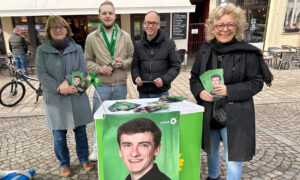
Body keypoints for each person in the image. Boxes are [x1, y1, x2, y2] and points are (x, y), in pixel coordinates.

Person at [189, 4, 273, 180]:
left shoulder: (247, 52)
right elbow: (194, 78)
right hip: (210, 110)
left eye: (230, 25)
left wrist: (229, 90)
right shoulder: (206, 49)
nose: (224, 30)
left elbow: (256, 83)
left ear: (237, 26)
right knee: (211, 152)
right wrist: (199, 92)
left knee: (233, 158)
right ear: (213, 27)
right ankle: (212, 177)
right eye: (220, 25)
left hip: (236, 113)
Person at [35, 15, 94, 177]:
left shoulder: (77, 49)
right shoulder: (42, 51)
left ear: (67, 29)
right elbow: (41, 74)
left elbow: (83, 70)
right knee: (59, 136)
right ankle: (64, 163)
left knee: (81, 132)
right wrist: (59, 87)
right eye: (54, 27)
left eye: (61, 26)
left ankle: (83, 158)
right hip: (55, 99)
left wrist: (68, 83)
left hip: (75, 95)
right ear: (48, 31)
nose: (58, 30)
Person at [84, 0, 134, 161]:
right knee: (98, 117)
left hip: (120, 85)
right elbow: (87, 61)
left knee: (119, 118)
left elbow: (132, 58)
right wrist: (99, 69)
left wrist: (123, 63)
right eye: (104, 13)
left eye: (110, 13)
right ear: (99, 16)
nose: (107, 16)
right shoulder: (92, 37)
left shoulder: (125, 36)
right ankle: (96, 149)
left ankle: (118, 147)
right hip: (102, 86)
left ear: (115, 15)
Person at [131, 11, 181, 98]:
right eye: (148, 23)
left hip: (161, 93)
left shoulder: (169, 43)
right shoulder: (138, 45)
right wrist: (136, 77)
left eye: (154, 23)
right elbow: (135, 66)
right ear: (144, 24)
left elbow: (176, 66)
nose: (150, 26)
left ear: (158, 25)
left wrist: (164, 79)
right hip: (143, 93)